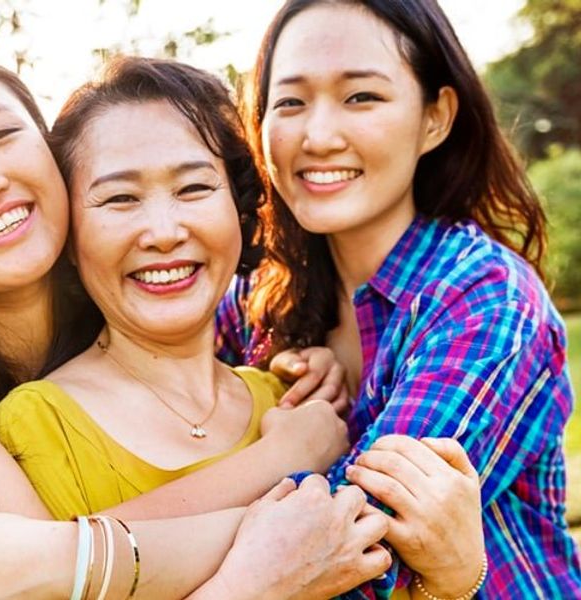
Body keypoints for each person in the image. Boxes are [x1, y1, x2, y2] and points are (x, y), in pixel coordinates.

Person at [0, 53, 386, 599]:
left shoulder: (126, 315)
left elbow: (59, 555)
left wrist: (295, 368)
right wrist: (286, 479)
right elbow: (26, 578)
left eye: (0, 135)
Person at [219, 0, 581, 596]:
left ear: (435, 118)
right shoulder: (250, 300)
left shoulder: (485, 297)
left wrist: (287, 450)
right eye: (289, 102)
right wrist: (255, 390)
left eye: (361, 96)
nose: (317, 136)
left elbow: (352, 555)